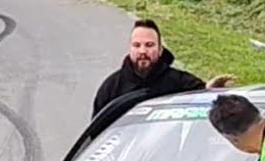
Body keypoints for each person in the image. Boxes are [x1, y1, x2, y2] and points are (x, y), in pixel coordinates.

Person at [92, 19, 232, 116]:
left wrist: (210, 89)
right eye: (137, 45)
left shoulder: (178, 81)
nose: (142, 51)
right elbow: (96, 135)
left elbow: (202, 97)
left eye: (149, 45)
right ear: (130, 49)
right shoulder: (111, 88)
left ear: (160, 50)